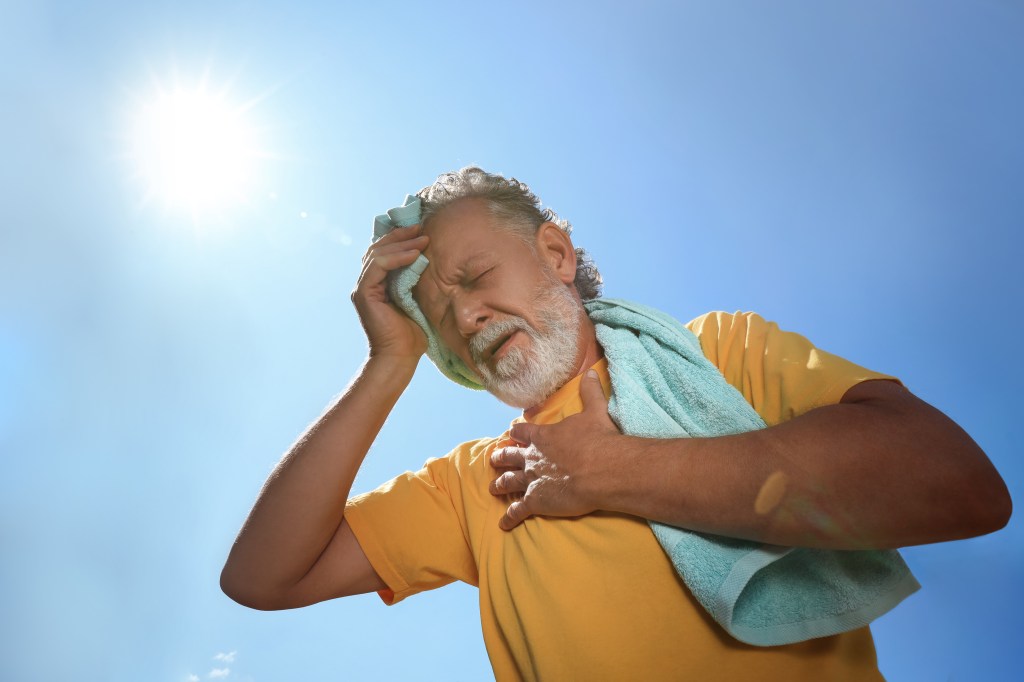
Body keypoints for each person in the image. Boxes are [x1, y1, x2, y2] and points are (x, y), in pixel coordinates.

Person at [221, 168, 1011, 680]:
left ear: (556, 255)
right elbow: (262, 577)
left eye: (476, 275)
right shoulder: (474, 484)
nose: (465, 314)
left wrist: (613, 472)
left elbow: (959, 484)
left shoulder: (724, 353)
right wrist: (387, 363)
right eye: (441, 320)